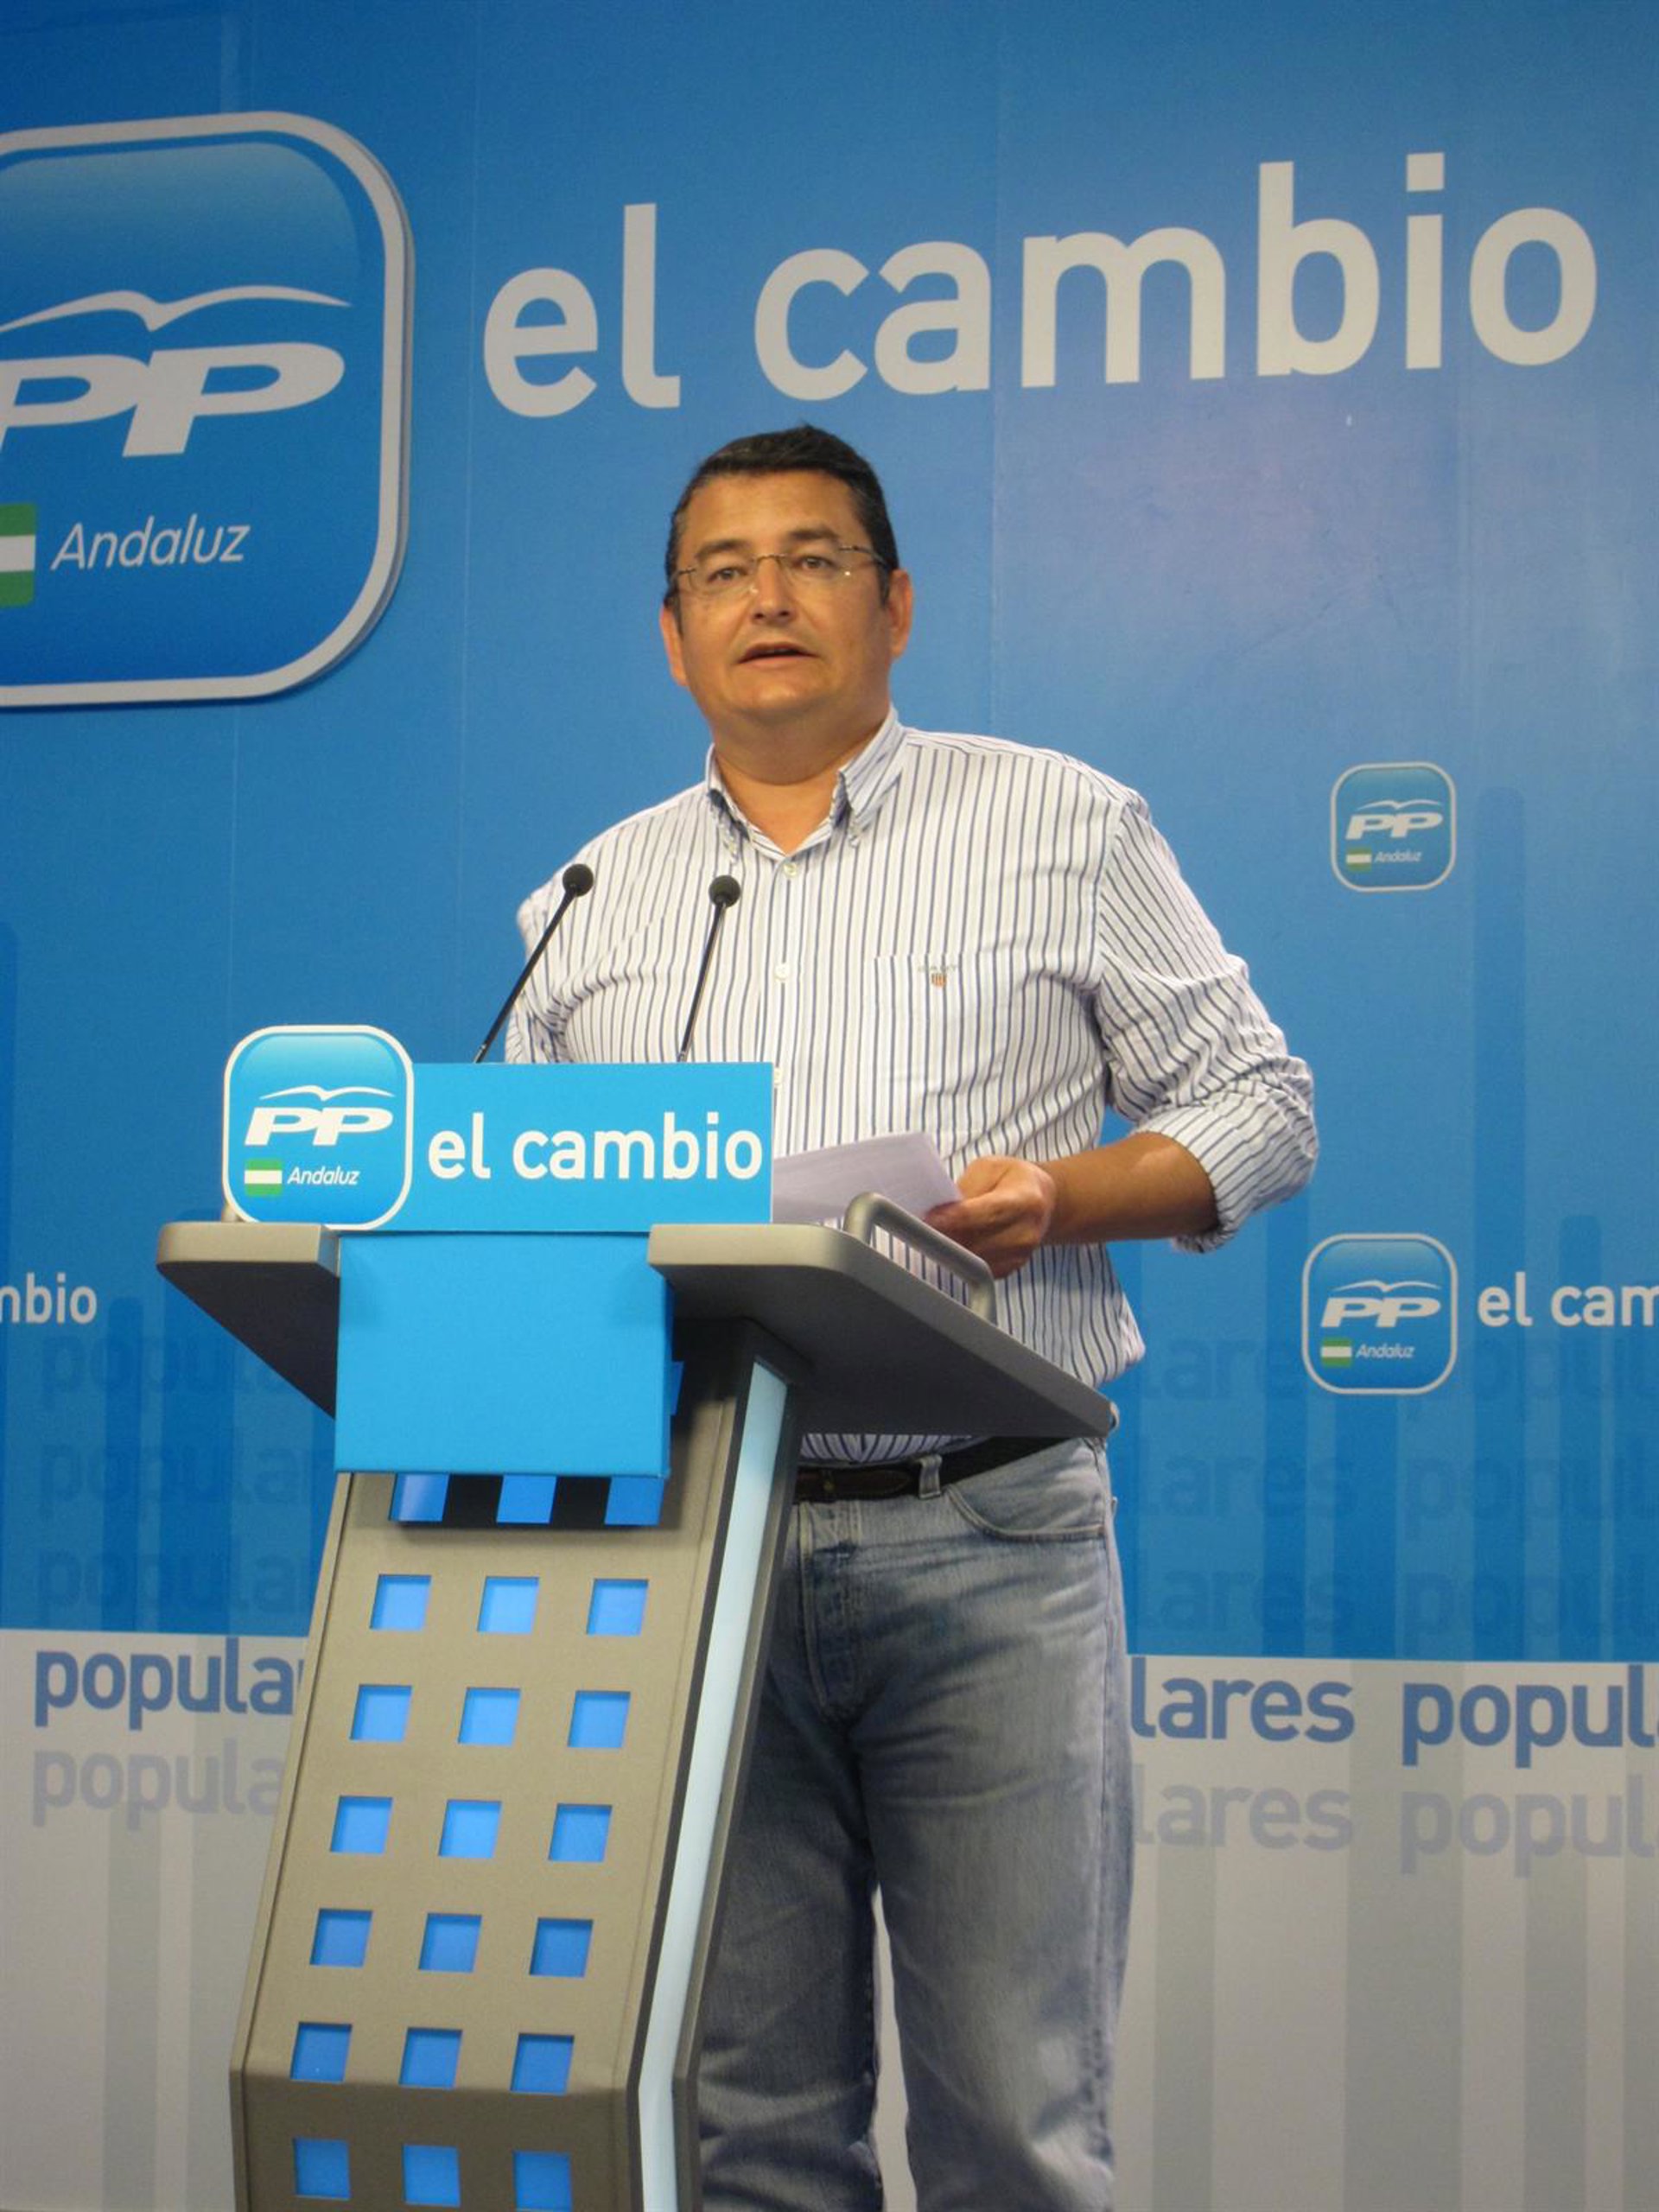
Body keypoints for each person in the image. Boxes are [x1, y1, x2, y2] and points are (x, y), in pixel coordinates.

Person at [507, 425, 1315, 2211]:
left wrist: (1063, 1198)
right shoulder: (586, 900)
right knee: (749, 2136)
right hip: (702, 1546)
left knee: (1015, 2128)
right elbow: (532, 1213)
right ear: (671, 635)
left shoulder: (1064, 824)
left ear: (896, 606)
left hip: (990, 1533)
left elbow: (1265, 1103)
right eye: (723, 571)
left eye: (813, 559)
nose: (768, 598)